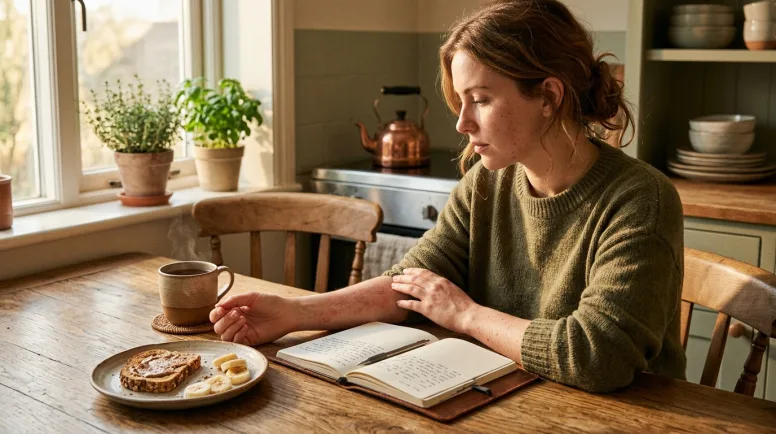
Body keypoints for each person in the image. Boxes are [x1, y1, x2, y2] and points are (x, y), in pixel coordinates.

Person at [209, 0, 687, 393]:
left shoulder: (640, 199)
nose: (461, 125)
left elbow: (597, 356)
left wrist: (465, 314)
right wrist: (297, 313)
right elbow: (410, 285)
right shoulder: (487, 182)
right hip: (514, 399)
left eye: (480, 99)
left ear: (548, 96)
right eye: (461, 102)